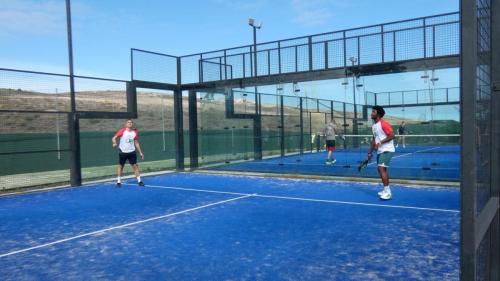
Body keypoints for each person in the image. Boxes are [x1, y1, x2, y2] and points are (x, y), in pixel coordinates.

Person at [367, 106, 395, 200]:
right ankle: (385, 189)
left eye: (373, 112)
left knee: (381, 168)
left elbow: (392, 135)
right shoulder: (374, 126)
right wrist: (370, 152)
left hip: (387, 149)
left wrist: (380, 143)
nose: (371, 113)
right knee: (381, 170)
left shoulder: (383, 124)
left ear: (378, 114)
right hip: (380, 150)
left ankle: (388, 192)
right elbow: (374, 139)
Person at [112, 119, 145, 187]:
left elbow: (136, 143)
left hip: (132, 152)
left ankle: (139, 181)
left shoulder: (134, 132)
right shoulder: (122, 131)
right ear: (126, 124)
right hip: (123, 152)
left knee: (135, 166)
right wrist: (114, 143)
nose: (130, 123)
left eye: (131, 122)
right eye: (128, 122)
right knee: (120, 167)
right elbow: (114, 138)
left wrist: (140, 153)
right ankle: (118, 182)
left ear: (132, 124)